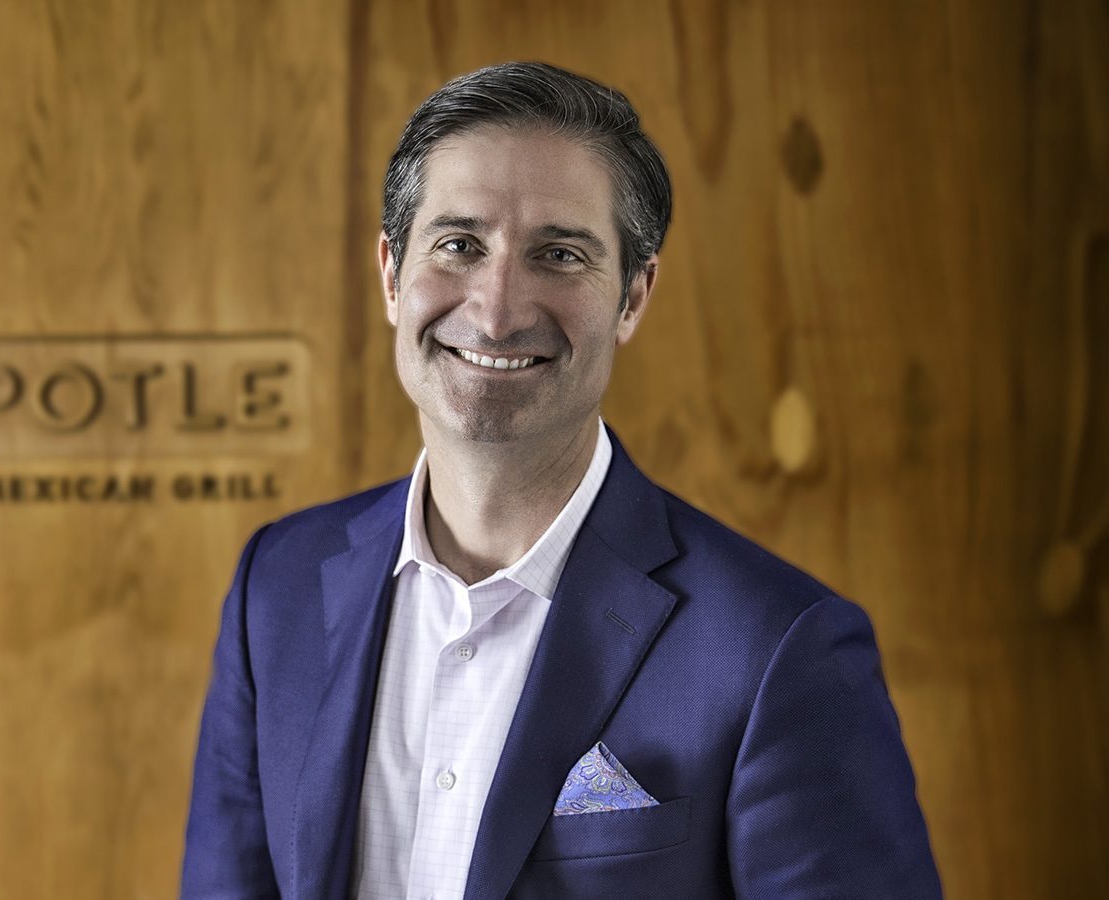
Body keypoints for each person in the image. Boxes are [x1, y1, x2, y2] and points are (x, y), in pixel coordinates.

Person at [181, 61, 941, 899]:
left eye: (560, 253)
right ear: (393, 273)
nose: (498, 309)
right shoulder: (276, 586)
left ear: (633, 296)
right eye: (459, 244)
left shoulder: (777, 650)